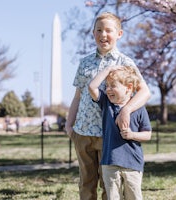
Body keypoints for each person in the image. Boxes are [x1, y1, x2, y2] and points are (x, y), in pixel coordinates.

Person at [65, 12, 151, 200]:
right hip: (83, 132)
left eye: (108, 30)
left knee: (108, 185)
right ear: (93, 33)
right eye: (99, 30)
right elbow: (78, 96)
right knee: (86, 182)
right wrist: (69, 125)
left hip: (109, 135)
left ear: (119, 34)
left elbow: (145, 92)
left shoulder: (125, 63)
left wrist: (126, 110)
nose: (103, 34)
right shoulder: (84, 63)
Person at [89, 65, 152, 200]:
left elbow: (148, 134)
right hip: (110, 161)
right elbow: (92, 87)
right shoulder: (106, 103)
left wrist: (132, 135)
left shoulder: (139, 109)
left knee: (134, 196)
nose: (108, 89)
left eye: (113, 85)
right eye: (107, 85)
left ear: (128, 88)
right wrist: (107, 70)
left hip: (133, 163)